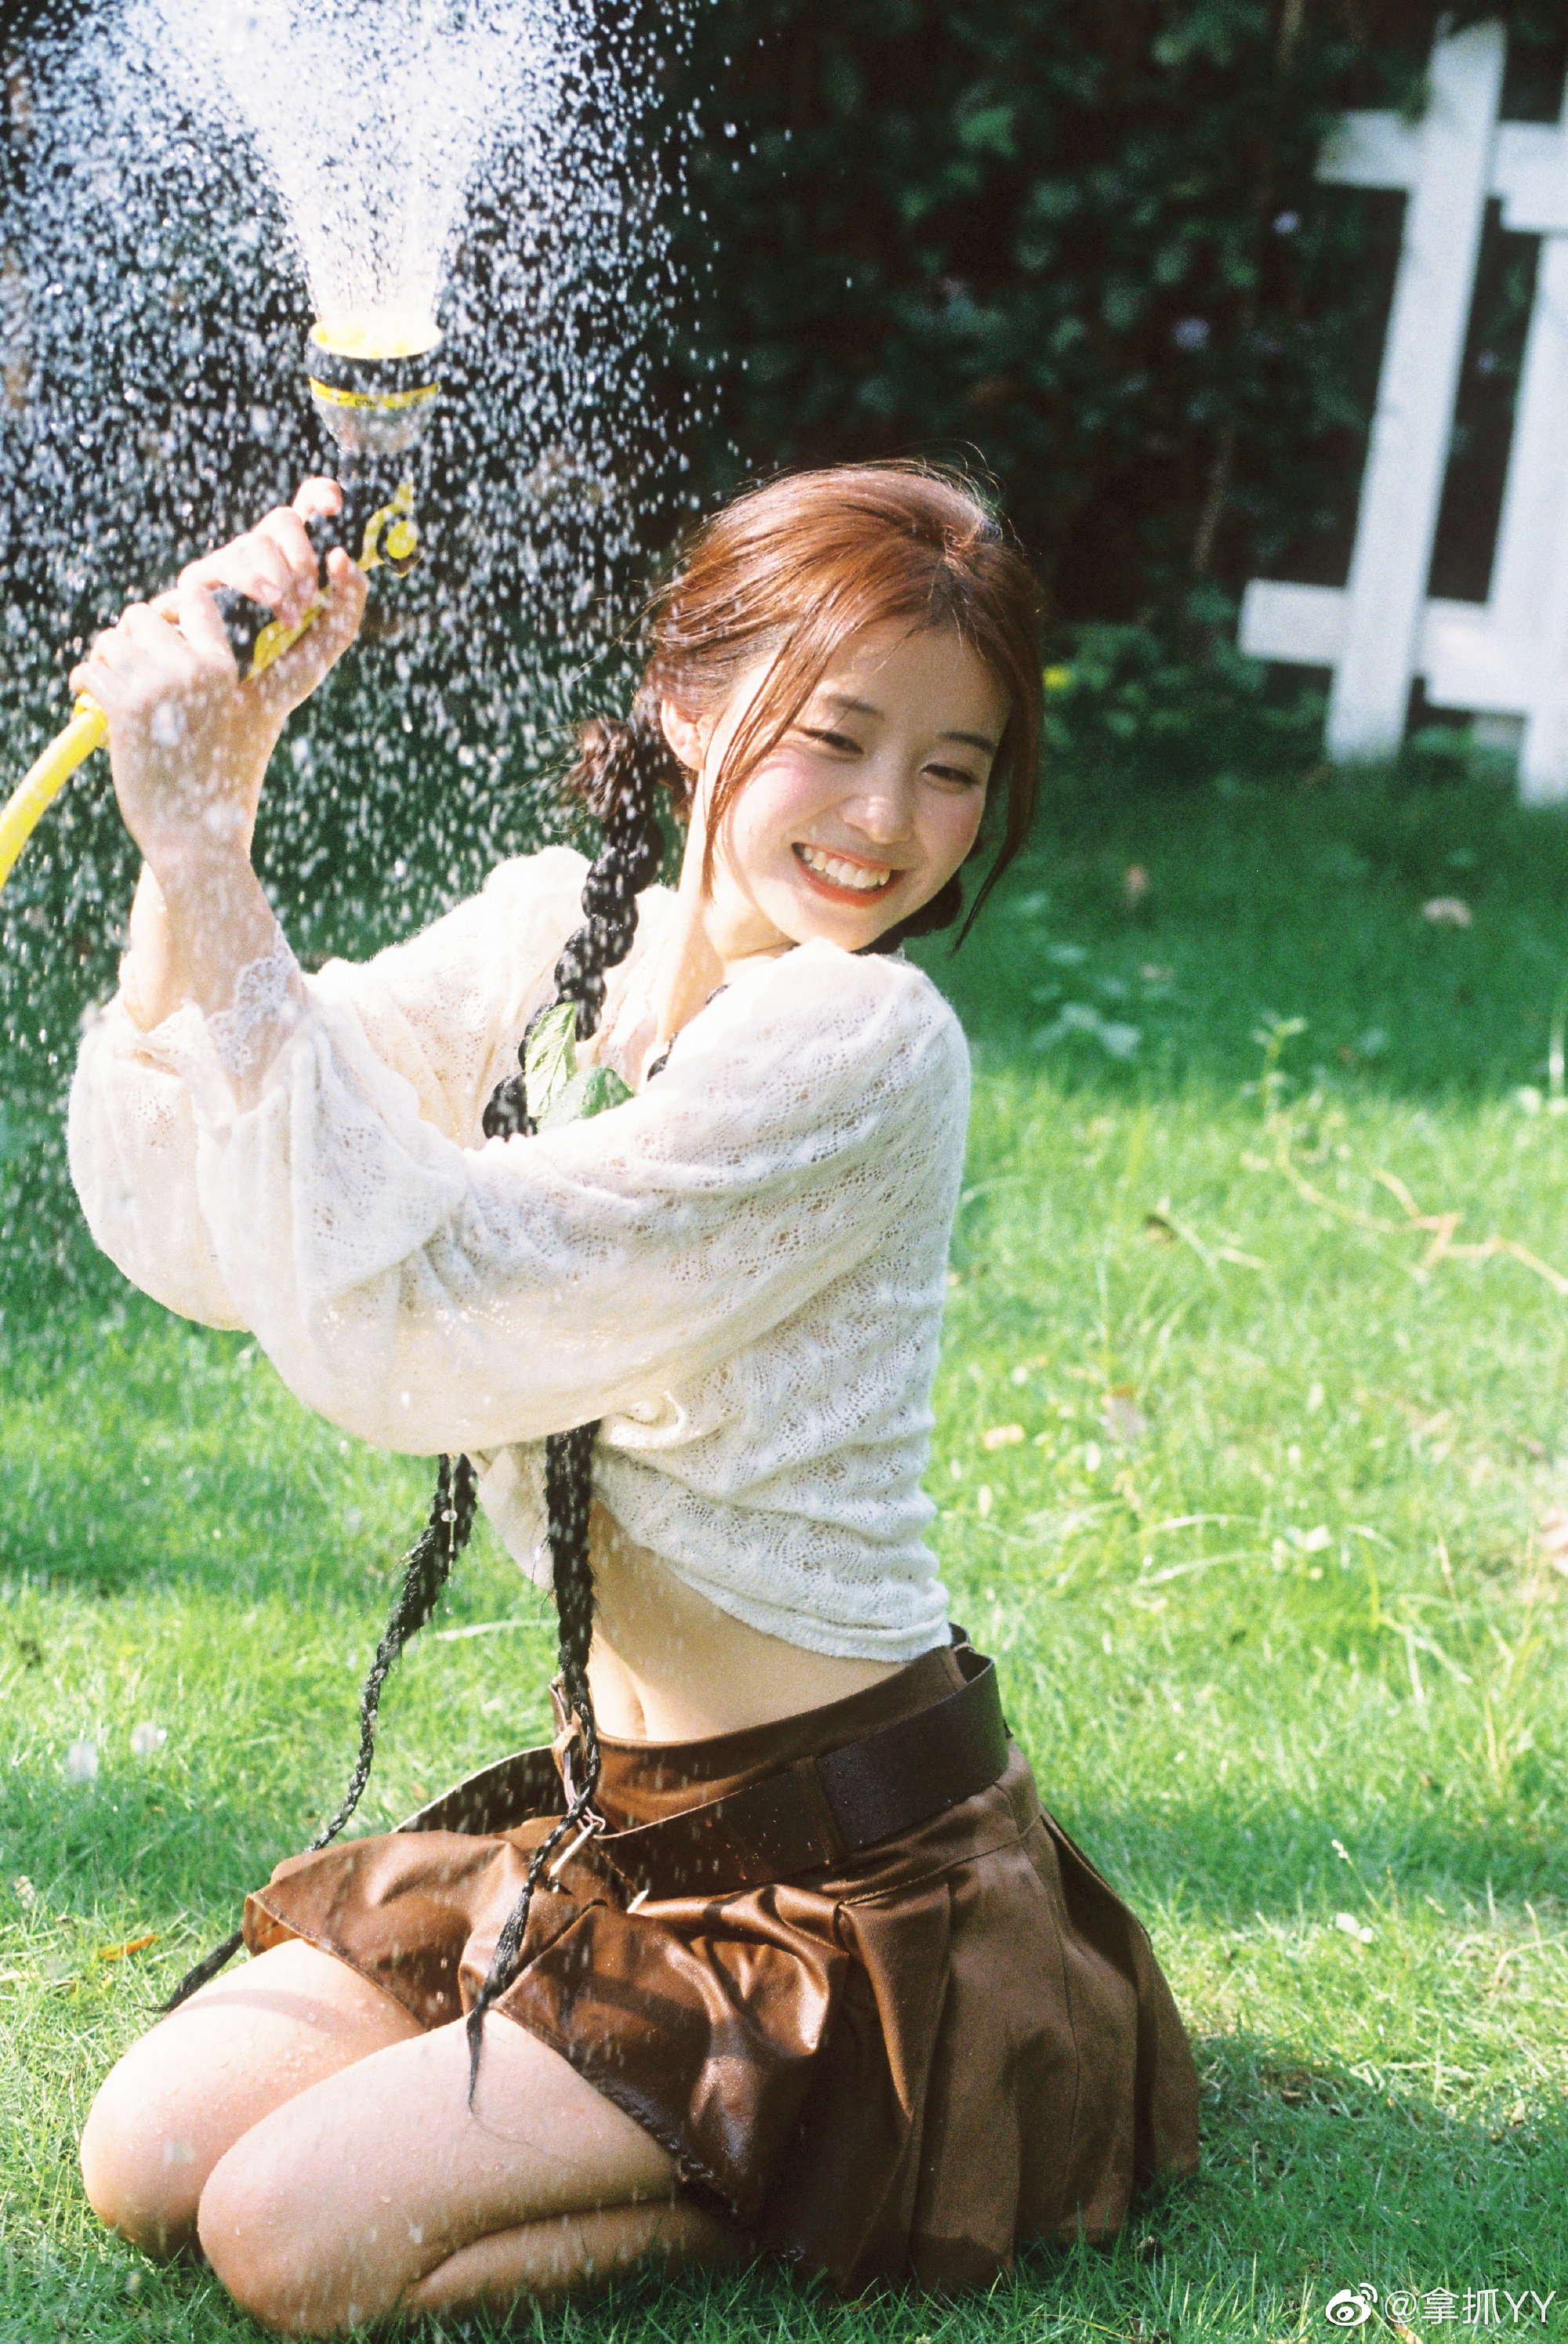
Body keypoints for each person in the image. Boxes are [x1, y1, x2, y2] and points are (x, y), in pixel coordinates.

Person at [65, 462, 1198, 2335]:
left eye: (953, 767)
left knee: (286, 2237)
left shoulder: (865, 1045)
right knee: (149, 2150)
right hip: (618, 1835)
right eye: (835, 738)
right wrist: (219, 798)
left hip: (843, 1883)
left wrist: (203, 849)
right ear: (685, 700)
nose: (886, 820)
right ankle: (611, 2100)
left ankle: (816, 2152)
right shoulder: (556, 933)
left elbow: (439, 1293)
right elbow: (225, 1190)